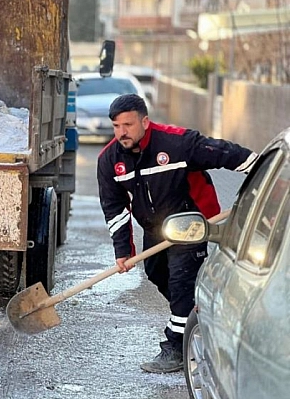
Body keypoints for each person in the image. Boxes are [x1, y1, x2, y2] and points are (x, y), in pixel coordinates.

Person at [97, 94, 257, 373]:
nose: (122, 132)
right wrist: (123, 251)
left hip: (191, 222)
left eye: (128, 125)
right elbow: (115, 210)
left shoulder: (176, 142)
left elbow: (226, 153)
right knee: (157, 273)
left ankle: (176, 347)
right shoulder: (109, 160)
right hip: (156, 228)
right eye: (116, 126)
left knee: (182, 282)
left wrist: (264, 172)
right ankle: (202, 319)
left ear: (145, 121)